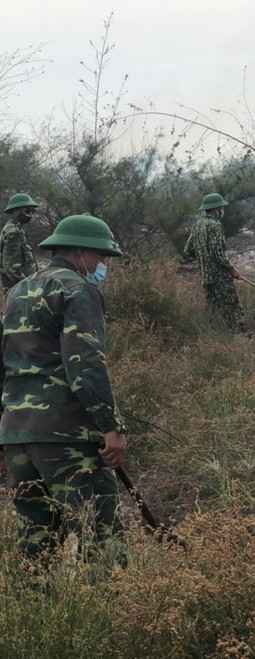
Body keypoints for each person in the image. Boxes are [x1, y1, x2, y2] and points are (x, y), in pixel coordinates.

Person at [0, 214, 127, 559]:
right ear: (81, 252)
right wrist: (111, 428)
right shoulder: (78, 290)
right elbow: (86, 368)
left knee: (37, 541)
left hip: (17, 435)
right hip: (67, 437)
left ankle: (36, 611)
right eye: (101, 258)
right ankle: (109, 612)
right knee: (102, 538)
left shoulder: (17, 291)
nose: (102, 266)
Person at [183, 193, 244, 332]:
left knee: (213, 310)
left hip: (206, 277)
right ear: (216, 209)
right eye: (221, 208)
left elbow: (187, 250)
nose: (223, 210)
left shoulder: (197, 225)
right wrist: (231, 269)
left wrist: (202, 257)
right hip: (220, 277)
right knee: (232, 310)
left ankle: (212, 336)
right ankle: (234, 340)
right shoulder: (214, 225)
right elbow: (217, 253)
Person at [0, 193, 40, 293]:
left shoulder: (18, 229)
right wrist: (27, 285)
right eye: (27, 210)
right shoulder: (12, 232)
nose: (30, 214)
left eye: (32, 211)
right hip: (18, 288)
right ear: (15, 211)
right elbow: (12, 267)